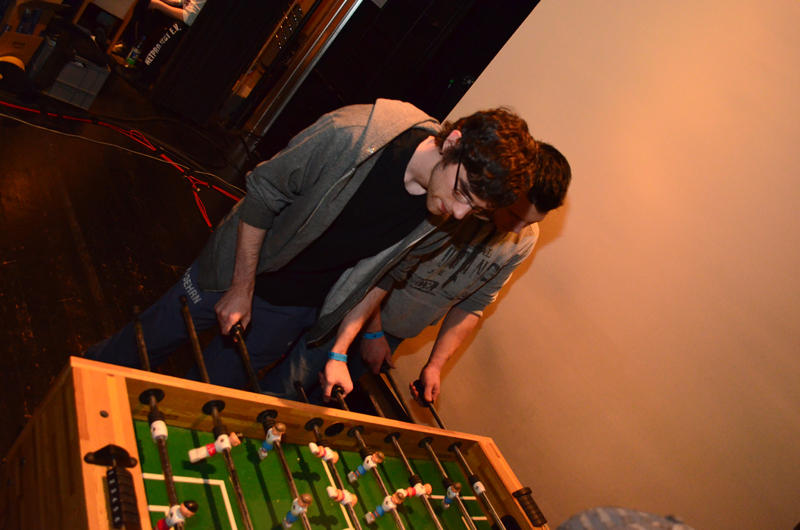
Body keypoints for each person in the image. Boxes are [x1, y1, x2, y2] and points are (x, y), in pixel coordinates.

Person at [86, 100, 536, 393]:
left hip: (293, 308)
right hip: (236, 269)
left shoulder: (446, 213)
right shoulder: (352, 135)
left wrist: (340, 348)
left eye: (475, 210)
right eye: (461, 194)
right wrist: (241, 288)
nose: (457, 214)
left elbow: (386, 275)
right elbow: (264, 193)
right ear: (453, 142)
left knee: (204, 394)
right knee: (140, 345)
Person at [259, 142, 571, 403]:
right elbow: (380, 266)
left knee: (325, 404)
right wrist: (372, 331)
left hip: (391, 335)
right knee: (286, 391)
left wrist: (435, 366)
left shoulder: (524, 240)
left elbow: (473, 305)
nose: (518, 229)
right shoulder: (452, 202)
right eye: (515, 214)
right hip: (350, 310)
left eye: (530, 222)